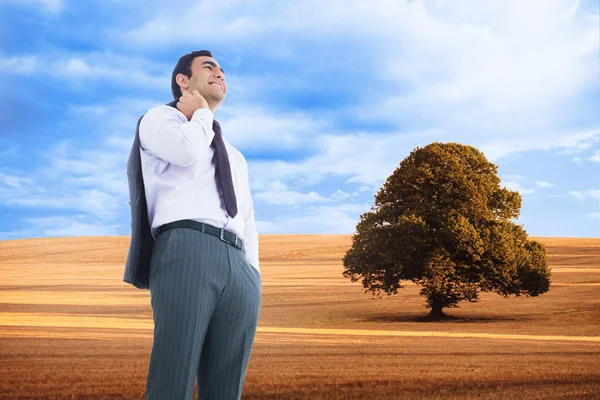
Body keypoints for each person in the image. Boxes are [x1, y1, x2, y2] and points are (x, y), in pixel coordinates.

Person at [128, 50, 261, 400]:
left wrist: (253, 273)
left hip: (238, 265)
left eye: (222, 70)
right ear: (182, 81)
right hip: (187, 247)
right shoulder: (160, 119)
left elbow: (246, 217)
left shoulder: (234, 154)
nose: (220, 73)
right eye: (209, 67)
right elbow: (186, 151)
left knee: (225, 389)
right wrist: (201, 113)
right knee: (173, 378)